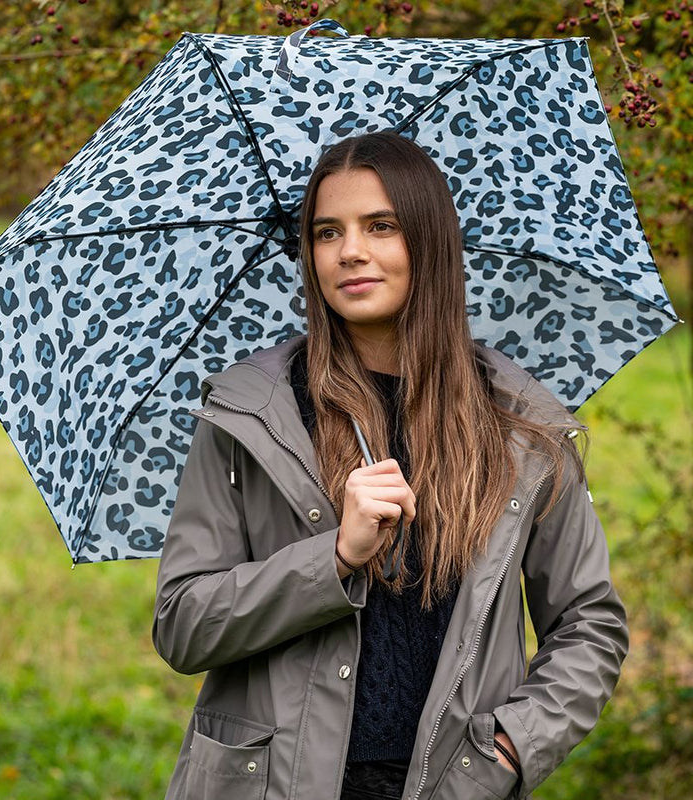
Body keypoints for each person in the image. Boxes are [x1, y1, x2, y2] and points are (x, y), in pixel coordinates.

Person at [152, 131, 628, 800]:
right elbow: (183, 623)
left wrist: (515, 746)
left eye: (381, 226)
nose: (351, 252)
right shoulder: (250, 416)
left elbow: (588, 622)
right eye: (325, 233)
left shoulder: (520, 426)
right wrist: (335, 557)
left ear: (428, 241)